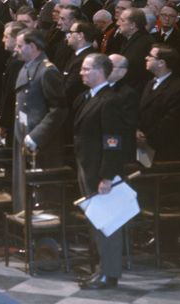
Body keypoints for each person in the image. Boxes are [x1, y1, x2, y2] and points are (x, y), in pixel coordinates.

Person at [73, 53, 126, 290]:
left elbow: (112, 140)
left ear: (100, 72)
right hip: (87, 166)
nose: (81, 73)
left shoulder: (109, 100)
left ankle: (109, 273)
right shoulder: (88, 97)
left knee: (107, 223)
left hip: (100, 172)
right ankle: (100, 269)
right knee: (96, 222)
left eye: (86, 69)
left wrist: (107, 175)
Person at [12, 29, 67, 212]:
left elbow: (58, 109)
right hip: (24, 135)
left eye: (20, 46)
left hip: (41, 142)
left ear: (33, 47)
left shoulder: (47, 71)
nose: (16, 49)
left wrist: (37, 136)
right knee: (25, 189)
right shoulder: (27, 66)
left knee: (43, 195)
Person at [137, 45, 180, 163]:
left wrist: (147, 138)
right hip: (143, 146)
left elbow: (171, 120)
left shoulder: (179, 88)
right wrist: (137, 131)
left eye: (150, 56)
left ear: (161, 63)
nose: (146, 58)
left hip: (163, 148)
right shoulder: (150, 83)